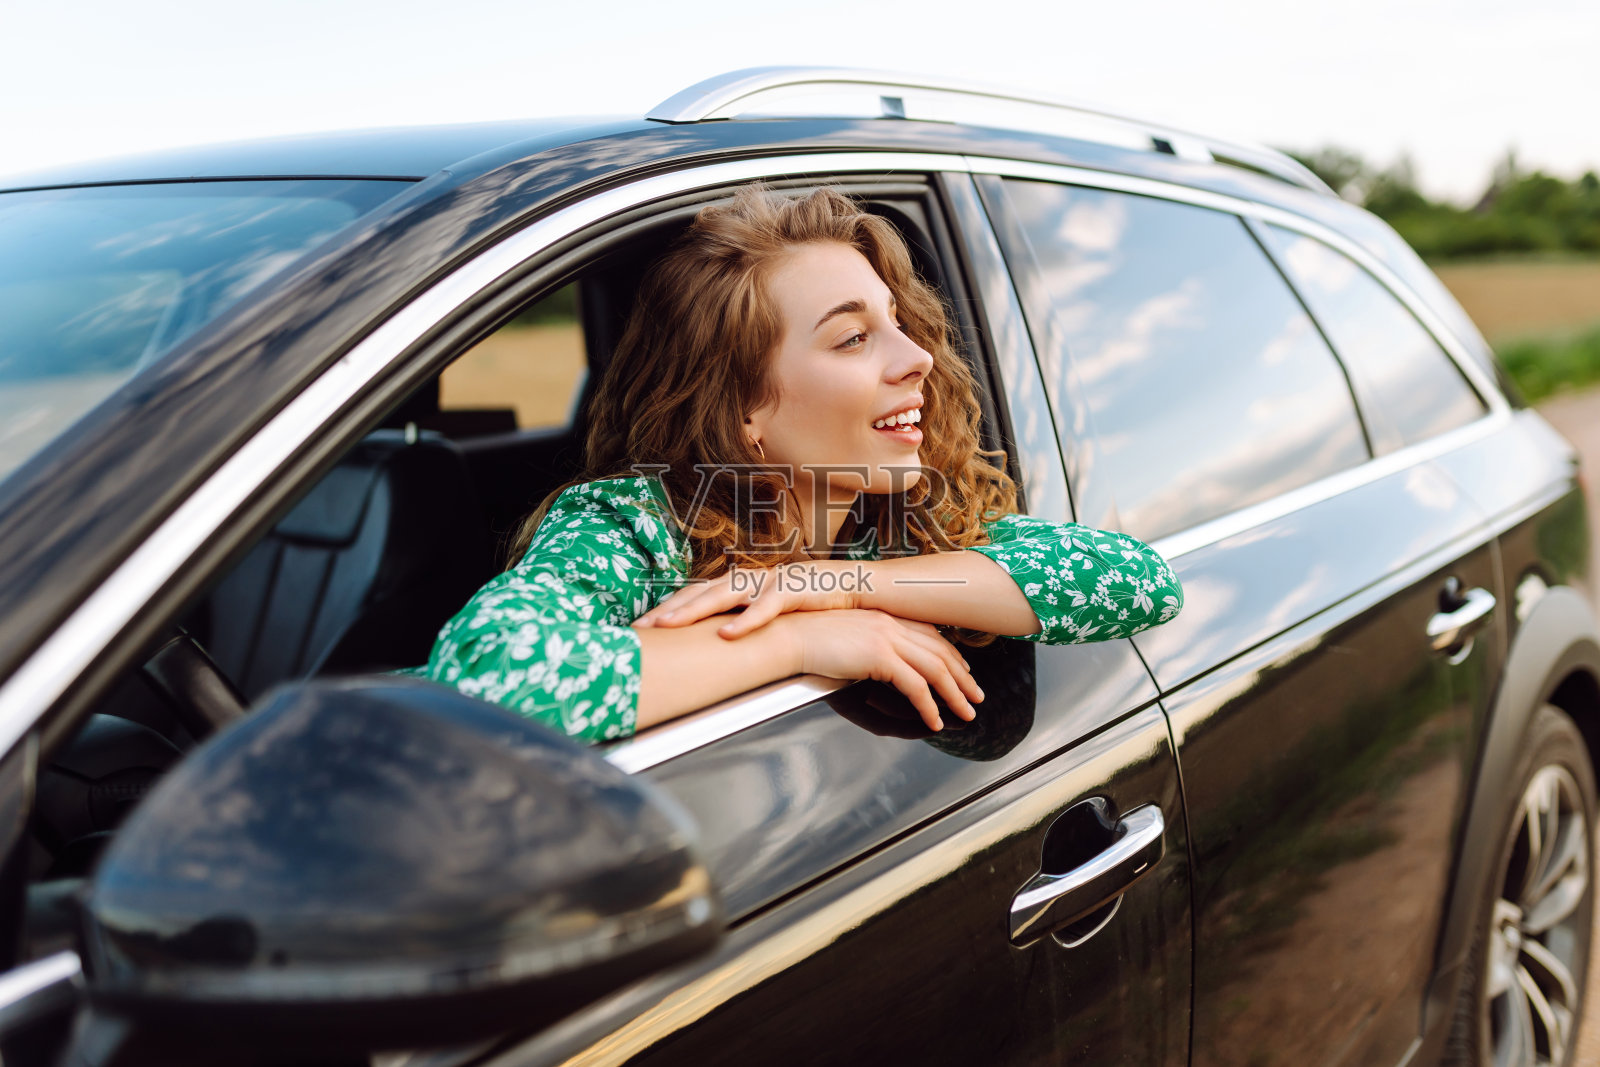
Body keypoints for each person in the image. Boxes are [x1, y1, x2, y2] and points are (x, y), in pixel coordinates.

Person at [418, 185, 1183, 743]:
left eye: (898, 324)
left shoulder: (898, 526)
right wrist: (793, 640)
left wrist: (831, 585)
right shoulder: (636, 528)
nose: (918, 358)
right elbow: (487, 679)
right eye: (853, 338)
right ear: (744, 405)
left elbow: (1139, 580)